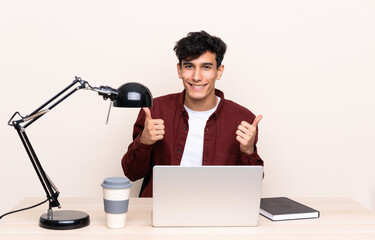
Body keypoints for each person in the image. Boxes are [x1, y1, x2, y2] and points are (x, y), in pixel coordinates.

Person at [121, 31, 263, 197]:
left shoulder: (243, 120)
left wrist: (248, 151)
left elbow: (252, 187)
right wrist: (144, 141)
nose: (196, 76)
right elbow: (132, 173)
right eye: (189, 66)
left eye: (206, 67)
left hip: (217, 210)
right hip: (162, 206)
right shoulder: (155, 111)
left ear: (219, 71)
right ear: (179, 70)